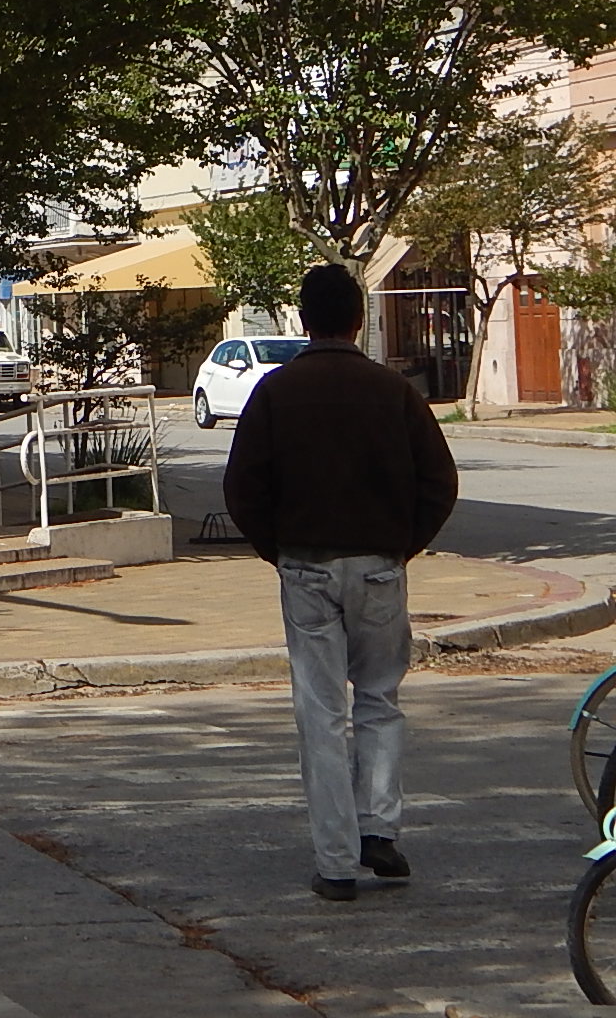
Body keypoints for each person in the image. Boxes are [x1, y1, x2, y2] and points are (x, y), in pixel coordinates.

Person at [223, 262, 459, 902]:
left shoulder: (275, 392)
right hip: (379, 564)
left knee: (321, 713)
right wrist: (400, 547)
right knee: (380, 699)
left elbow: (243, 488)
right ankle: (378, 829)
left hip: (306, 565)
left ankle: (335, 863)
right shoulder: (394, 391)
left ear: (305, 321)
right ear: (358, 320)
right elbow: (440, 482)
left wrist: (280, 551)